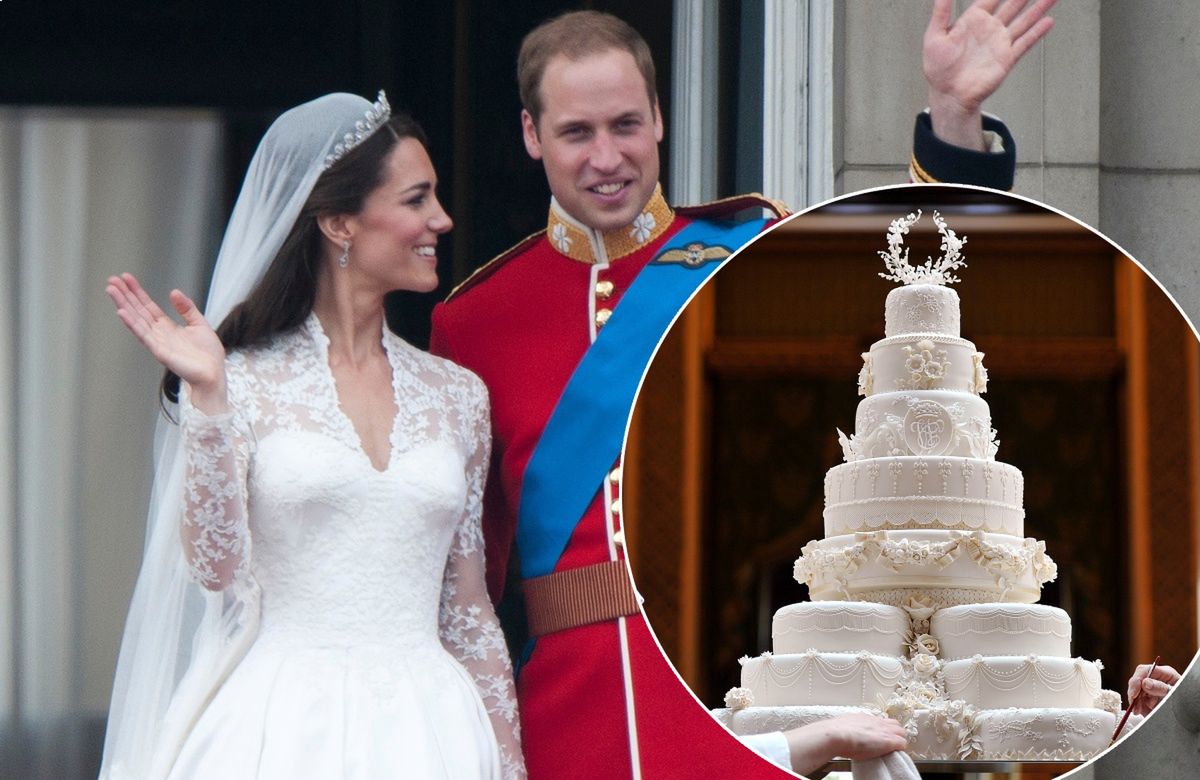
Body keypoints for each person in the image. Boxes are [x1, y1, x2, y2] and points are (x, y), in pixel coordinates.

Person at [430, 4, 1055, 777]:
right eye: (576, 132)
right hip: (567, 717)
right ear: (532, 135)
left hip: (735, 693)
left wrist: (954, 116)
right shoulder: (475, 320)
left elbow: (915, 270)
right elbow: (461, 576)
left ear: (659, 118)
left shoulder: (742, 251)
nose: (607, 157)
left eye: (626, 124)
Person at [99, 92, 524, 779]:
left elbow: (467, 606)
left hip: (433, 731)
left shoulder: (459, 397)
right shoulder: (243, 380)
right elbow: (216, 570)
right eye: (416, 199)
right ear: (338, 223)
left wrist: (509, 762)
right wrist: (208, 398)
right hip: (281, 727)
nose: (440, 220)